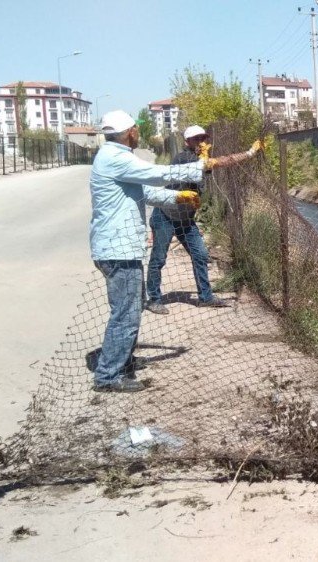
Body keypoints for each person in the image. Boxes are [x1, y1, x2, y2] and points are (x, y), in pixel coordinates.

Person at [89, 110, 261, 393]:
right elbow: (160, 174)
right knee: (126, 313)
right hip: (118, 249)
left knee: (128, 310)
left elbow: (145, 192)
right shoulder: (117, 158)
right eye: (137, 129)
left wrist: (177, 195)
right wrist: (201, 168)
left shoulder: (114, 158)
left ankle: (123, 361)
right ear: (130, 132)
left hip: (120, 247)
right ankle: (108, 375)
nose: (139, 133)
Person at [146, 125, 254, 313]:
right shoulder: (183, 158)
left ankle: (205, 297)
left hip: (185, 219)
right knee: (158, 259)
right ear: (187, 142)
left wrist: (249, 153)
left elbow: (220, 161)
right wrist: (248, 153)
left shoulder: (199, 159)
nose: (200, 142)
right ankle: (154, 299)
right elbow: (213, 163)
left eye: (203, 139)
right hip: (166, 215)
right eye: (196, 139)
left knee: (200, 255)